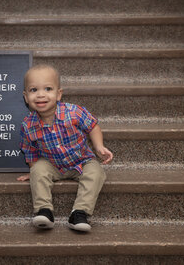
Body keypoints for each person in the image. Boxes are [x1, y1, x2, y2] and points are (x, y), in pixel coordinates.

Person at [17, 64, 113, 232]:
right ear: (26, 97)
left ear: (58, 94)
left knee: (96, 172)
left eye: (48, 88)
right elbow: (30, 150)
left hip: (81, 162)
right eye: (33, 90)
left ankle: (79, 213)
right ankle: (44, 211)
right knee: (39, 169)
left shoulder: (73, 112)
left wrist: (99, 146)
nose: (41, 94)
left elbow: (92, 126)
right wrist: (33, 171)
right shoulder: (28, 125)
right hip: (52, 164)